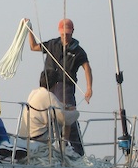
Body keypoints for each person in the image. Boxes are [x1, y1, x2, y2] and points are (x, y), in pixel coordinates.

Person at [28, 18, 92, 154]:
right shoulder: (52, 44)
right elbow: (33, 47)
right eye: (63, 33)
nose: (65, 36)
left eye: (68, 33)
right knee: (47, 115)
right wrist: (29, 30)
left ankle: (76, 151)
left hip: (65, 87)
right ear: (59, 31)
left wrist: (89, 88)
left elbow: (87, 68)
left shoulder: (78, 50)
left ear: (72, 31)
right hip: (48, 84)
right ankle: (48, 149)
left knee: (69, 117)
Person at [18, 70, 79, 146]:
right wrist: (75, 113)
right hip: (39, 138)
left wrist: (65, 107)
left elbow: (54, 104)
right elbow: (64, 118)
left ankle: (64, 146)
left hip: (25, 136)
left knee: (60, 115)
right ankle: (64, 147)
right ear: (55, 84)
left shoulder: (34, 92)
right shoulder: (49, 96)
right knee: (66, 119)